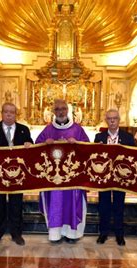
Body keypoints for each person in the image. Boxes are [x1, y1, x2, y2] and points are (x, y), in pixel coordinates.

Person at [36, 99, 89, 243]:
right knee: (55, 203)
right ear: (53, 112)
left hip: (73, 177)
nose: (60, 111)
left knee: (72, 203)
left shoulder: (77, 129)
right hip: (54, 178)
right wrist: (43, 144)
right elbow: (36, 148)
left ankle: (72, 234)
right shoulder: (48, 130)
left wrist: (77, 143)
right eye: (57, 109)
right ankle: (55, 234)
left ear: (68, 110)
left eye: (63, 109)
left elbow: (88, 149)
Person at [0, 103, 33, 246]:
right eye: (6, 111)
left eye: (12, 112)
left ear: (16, 114)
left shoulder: (24, 129)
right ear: (2, 113)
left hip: (17, 174)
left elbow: (31, 143)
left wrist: (28, 144)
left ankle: (16, 234)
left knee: (16, 204)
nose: (9, 114)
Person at [94, 109, 135, 246]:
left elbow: (133, 157)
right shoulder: (99, 137)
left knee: (119, 206)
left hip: (120, 178)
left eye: (115, 118)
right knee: (103, 205)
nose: (112, 121)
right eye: (109, 118)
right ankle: (103, 233)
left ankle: (119, 234)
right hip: (104, 177)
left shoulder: (128, 137)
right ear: (106, 121)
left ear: (119, 120)